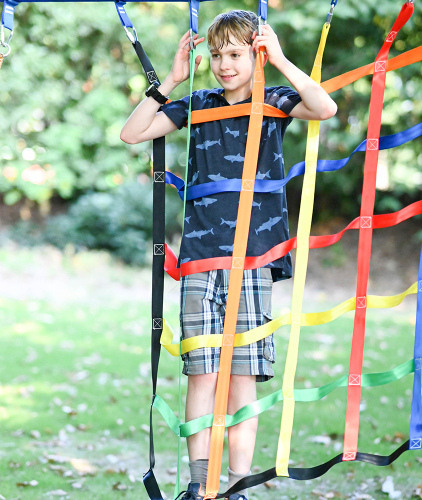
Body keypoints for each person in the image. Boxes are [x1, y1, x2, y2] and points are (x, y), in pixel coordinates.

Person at [121, 10, 337, 500]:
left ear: (255, 55)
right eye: (216, 55)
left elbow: (325, 108)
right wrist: (172, 79)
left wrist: (278, 59)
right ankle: (201, 484)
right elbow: (132, 133)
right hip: (201, 259)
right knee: (203, 370)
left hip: (254, 261)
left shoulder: (275, 99)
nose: (223, 64)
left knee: (243, 376)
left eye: (235, 54)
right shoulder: (197, 103)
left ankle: (238, 484)